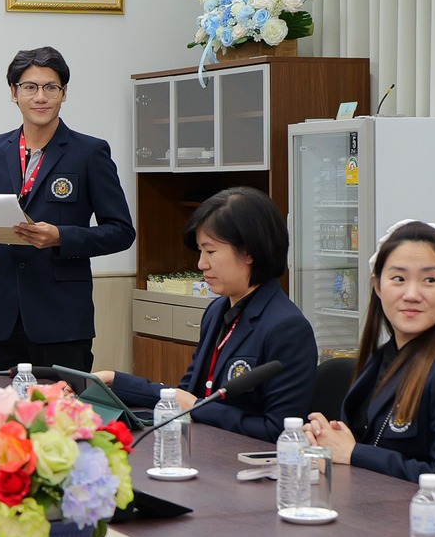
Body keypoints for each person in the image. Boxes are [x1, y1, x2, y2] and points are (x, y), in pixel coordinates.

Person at [0, 46, 134, 374]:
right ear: (14, 92)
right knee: (7, 405)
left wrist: (61, 237)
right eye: (30, 87)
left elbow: (121, 231)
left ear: (64, 93)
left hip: (63, 319)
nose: (40, 97)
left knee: (66, 405)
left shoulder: (89, 152)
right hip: (5, 317)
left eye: (50, 87)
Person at [103, 186, 317, 441]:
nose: (201, 264)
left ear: (248, 252)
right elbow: (185, 393)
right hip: (204, 447)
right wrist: (115, 381)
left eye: (211, 251)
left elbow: (279, 431)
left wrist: (198, 408)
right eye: (201, 251)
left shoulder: (286, 327)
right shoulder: (217, 310)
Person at [305, 220, 435, 496]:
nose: (411, 294)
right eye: (398, 278)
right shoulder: (385, 356)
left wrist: (354, 453)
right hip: (367, 504)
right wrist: (325, 441)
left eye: (429, 280)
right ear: (377, 286)